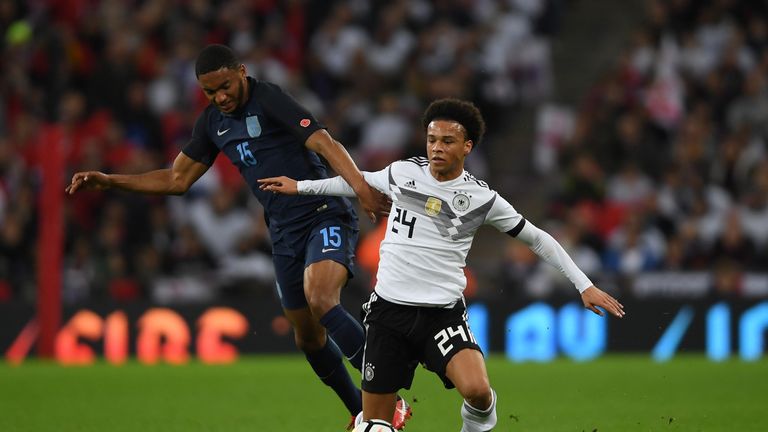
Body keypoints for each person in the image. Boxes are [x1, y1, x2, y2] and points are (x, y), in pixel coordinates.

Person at [65, 44, 412, 430]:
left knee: (321, 298)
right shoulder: (212, 123)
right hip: (282, 233)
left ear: (241, 72)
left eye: (225, 86)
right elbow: (176, 179)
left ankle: (387, 401)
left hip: (322, 213)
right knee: (307, 337)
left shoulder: (270, 99)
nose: (221, 97)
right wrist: (111, 180)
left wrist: (361, 187)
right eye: (210, 92)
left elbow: (323, 142)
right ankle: (360, 413)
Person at [258, 98, 626, 431]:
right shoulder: (404, 172)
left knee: (479, 394)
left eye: (447, 141)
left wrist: (584, 285)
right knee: (375, 426)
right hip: (388, 314)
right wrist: (302, 186)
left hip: (442, 316)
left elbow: (537, 238)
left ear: (467, 147)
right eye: (432, 139)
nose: (436, 147)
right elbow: (359, 183)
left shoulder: (482, 198)